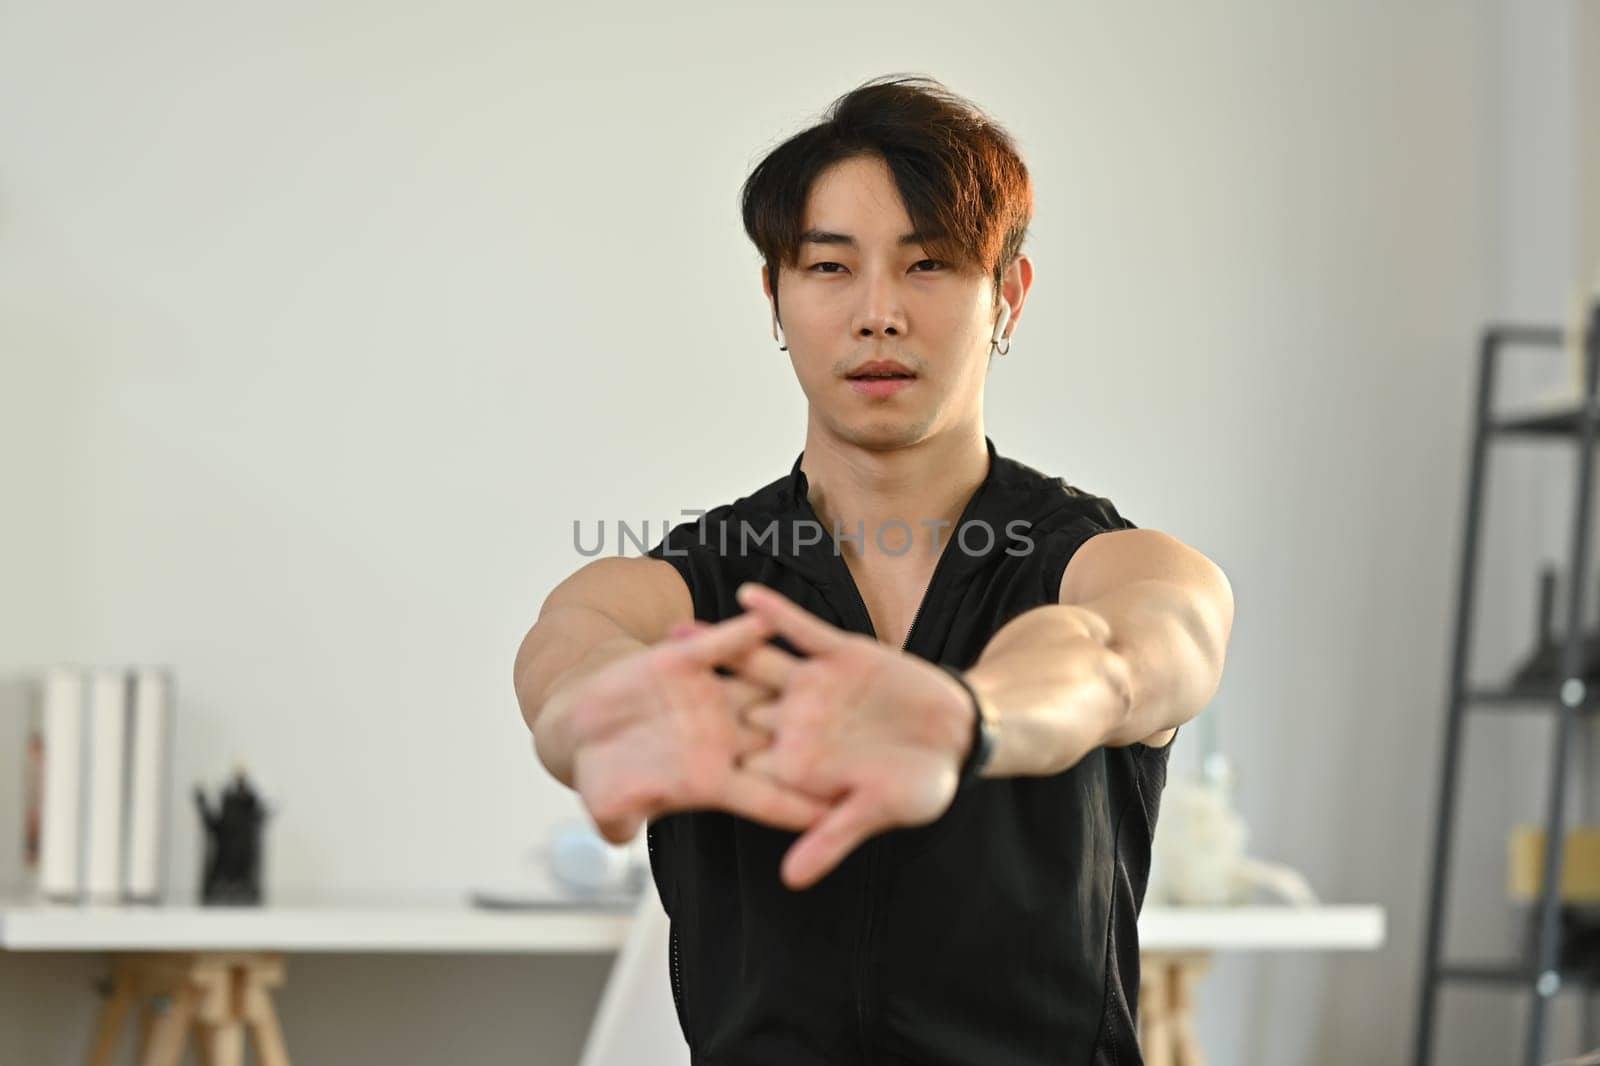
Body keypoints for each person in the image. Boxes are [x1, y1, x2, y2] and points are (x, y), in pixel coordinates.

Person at [513, 74, 1234, 1066]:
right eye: (829, 268)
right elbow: (571, 647)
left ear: (1007, 297)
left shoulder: (1101, 564)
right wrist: (591, 715)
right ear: (775, 295)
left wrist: (970, 718)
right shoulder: (695, 582)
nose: (878, 313)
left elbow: (1120, 651)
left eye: (929, 264)